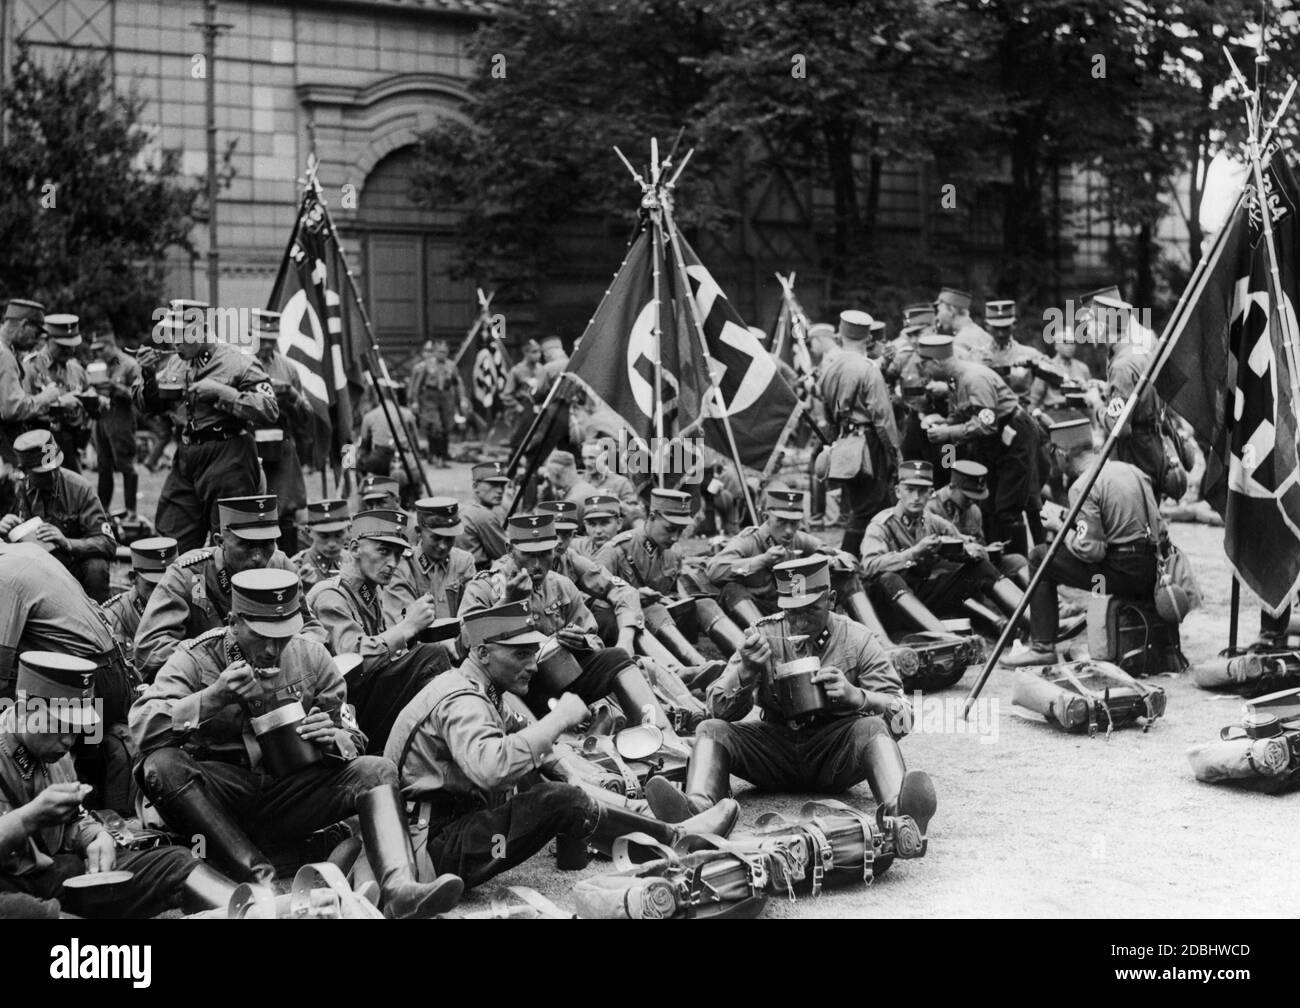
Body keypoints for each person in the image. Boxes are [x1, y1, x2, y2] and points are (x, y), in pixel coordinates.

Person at [131, 568, 463, 917]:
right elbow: (143, 727)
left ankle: (400, 888)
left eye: (284, 636)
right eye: (262, 636)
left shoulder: (311, 655)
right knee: (161, 765)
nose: (273, 649)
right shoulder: (196, 657)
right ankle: (262, 879)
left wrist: (333, 739)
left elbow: (352, 733)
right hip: (221, 798)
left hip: (288, 794)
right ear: (234, 621)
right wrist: (212, 698)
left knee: (376, 770)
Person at [383, 601, 739, 893]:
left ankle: (646, 819)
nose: (533, 665)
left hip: (455, 830)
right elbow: (490, 769)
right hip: (438, 852)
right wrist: (558, 720)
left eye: (533, 653)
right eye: (521, 654)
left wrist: (568, 769)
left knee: (549, 769)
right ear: (482, 651)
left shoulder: (476, 686)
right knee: (558, 801)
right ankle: (677, 838)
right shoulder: (463, 701)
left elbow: (530, 739)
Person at [645, 555, 936, 863]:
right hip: (776, 749)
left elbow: (904, 714)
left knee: (872, 728)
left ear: (832, 600)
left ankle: (900, 818)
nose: (799, 622)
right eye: (791, 611)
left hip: (834, 754)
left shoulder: (858, 639)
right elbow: (715, 707)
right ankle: (697, 812)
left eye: (810, 609)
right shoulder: (764, 634)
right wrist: (744, 671)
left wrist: (858, 697)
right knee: (710, 730)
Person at [0, 652, 237, 918]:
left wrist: (95, 836)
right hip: (9, 889)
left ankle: (255, 909)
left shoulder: (55, 753)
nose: (68, 740)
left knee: (178, 864)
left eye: (75, 728)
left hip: (54, 874)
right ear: (24, 710)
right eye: (59, 726)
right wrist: (26, 819)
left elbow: (75, 820)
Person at [458, 513, 676, 735]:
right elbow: (465, 641)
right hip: (512, 686)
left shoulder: (560, 585)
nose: (537, 566)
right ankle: (539, 738)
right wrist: (507, 603)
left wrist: (581, 642)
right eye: (528, 555)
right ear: (509, 549)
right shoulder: (485, 586)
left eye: (545, 555)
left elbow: (594, 637)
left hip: (558, 680)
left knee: (616, 657)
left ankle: (659, 732)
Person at [1001, 418, 1161, 666]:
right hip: (1151, 570)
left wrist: (1059, 527)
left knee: (1039, 557)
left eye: (1054, 455)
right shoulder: (1131, 470)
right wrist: (1067, 518)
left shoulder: (1083, 484)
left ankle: (1042, 646)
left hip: (1119, 576)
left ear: (1062, 453)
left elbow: (1092, 551)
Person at [134, 495, 327, 685]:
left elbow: (311, 629)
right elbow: (150, 648)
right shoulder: (190, 575)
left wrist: (286, 658)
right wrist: (213, 666)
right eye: (247, 545)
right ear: (220, 541)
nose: (258, 557)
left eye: (268, 543)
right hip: (207, 688)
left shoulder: (281, 567)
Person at [305, 509, 453, 753]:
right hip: (336, 713)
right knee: (431, 656)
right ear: (354, 549)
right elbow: (353, 663)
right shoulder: (331, 596)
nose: (393, 564)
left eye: (397, 554)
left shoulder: (371, 592)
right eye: (383, 552)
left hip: (359, 702)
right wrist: (407, 627)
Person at [134, 308, 279, 554]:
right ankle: (183, 589)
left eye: (181, 334)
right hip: (187, 458)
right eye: (171, 334)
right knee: (172, 535)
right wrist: (148, 376)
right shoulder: (177, 362)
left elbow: (269, 409)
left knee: (232, 539)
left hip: (229, 457)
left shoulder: (239, 362)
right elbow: (149, 406)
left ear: (201, 330)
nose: (174, 341)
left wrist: (224, 393)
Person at [860, 460, 1026, 636]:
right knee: (888, 578)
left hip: (924, 601)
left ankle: (1035, 622)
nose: (916, 497)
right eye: (909, 490)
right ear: (897, 492)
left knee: (981, 568)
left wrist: (966, 551)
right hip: (890, 606)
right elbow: (870, 566)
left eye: (922, 491)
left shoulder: (934, 522)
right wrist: (914, 553)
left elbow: (972, 548)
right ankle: (947, 638)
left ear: (930, 493)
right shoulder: (881, 525)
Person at [918, 332, 1041, 557]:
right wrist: (944, 424)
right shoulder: (955, 380)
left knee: (1008, 508)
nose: (922, 370)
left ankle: (1020, 569)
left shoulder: (975, 379)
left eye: (924, 363)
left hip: (1013, 436)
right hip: (993, 441)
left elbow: (987, 424)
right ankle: (996, 560)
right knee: (989, 505)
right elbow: (961, 413)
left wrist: (948, 432)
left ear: (936, 362)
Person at [600, 488, 739, 669]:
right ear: (651, 517)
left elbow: (672, 590)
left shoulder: (672, 552)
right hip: (629, 630)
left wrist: (675, 598)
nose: (675, 537)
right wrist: (633, 596)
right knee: (654, 609)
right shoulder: (617, 549)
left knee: (705, 604)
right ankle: (698, 666)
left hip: (664, 627)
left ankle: (744, 655)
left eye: (680, 531)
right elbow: (593, 602)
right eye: (670, 529)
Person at [817, 310, 901, 557]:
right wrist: (895, 454)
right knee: (867, 509)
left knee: (872, 505)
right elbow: (883, 420)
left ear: (840, 335)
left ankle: (878, 560)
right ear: (869, 339)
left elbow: (828, 414)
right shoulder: (869, 370)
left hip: (845, 444)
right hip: (870, 445)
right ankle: (846, 564)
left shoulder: (830, 369)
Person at [0, 429, 115, 602]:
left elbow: (107, 543)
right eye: (44, 473)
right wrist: (2, 529)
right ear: (25, 471)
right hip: (32, 569)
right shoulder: (13, 489)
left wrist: (67, 543)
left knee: (96, 568)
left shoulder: (79, 488)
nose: (53, 475)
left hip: (70, 565)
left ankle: (99, 620)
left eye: (56, 467)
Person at [705, 488, 840, 628]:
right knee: (731, 589)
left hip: (791, 608)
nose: (788, 530)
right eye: (781, 521)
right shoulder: (748, 541)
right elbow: (714, 571)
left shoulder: (799, 539)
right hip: (756, 610)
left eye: (794, 523)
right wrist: (761, 560)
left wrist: (820, 559)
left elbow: (842, 556)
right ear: (765, 518)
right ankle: (763, 635)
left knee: (838, 575)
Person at [1086, 290, 1169, 493]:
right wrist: (1107, 391)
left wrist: (1096, 403)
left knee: (1134, 519)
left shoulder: (1121, 365)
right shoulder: (1138, 351)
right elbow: (1139, 398)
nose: (1086, 328)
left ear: (1103, 326)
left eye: (1091, 322)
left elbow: (1120, 428)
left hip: (1134, 453)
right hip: (1152, 446)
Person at [536, 499, 642, 649]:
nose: (559, 541)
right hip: (534, 647)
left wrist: (626, 639)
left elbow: (621, 590)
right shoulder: (519, 563)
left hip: (569, 639)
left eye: (566, 534)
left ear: (573, 534)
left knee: (609, 614)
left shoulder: (569, 558)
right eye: (553, 534)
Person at [251, 310, 313, 555]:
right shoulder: (239, 364)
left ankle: (286, 563)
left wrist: (293, 397)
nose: (267, 344)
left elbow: (306, 417)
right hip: (248, 447)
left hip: (281, 445)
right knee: (251, 508)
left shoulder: (287, 368)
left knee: (284, 509)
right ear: (251, 335)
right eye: (261, 338)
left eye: (271, 339)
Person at [925, 459, 1029, 583]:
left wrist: (989, 548)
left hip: (976, 562)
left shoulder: (973, 510)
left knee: (1018, 561)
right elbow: (931, 556)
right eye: (967, 497)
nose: (972, 502)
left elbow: (980, 544)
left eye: (975, 498)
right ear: (952, 486)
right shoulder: (930, 508)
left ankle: (1035, 596)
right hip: (948, 568)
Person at [383, 497, 477, 627]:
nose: (443, 546)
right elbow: (404, 626)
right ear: (419, 532)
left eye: (449, 539)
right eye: (436, 538)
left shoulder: (464, 561)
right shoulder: (402, 567)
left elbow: (472, 613)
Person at [101, 537, 178, 680]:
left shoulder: (186, 607)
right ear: (133, 578)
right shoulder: (114, 617)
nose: (160, 593)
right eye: (152, 585)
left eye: (167, 584)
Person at [21, 314, 89, 474]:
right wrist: (58, 404)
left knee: (72, 491)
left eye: (72, 345)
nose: (70, 350)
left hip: (72, 443)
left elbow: (88, 393)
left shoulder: (76, 368)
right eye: (62, 345)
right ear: (47, 339)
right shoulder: (30, 367)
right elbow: (22, 409)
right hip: (43, 442)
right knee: (48, 488)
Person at [0, 300, 64, 465]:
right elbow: (13, 410)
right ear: (24, 325)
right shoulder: (5, 356)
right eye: (35, 334)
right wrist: (46, 397)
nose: (36, 341)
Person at [87, 330, 141, 517]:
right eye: (95, 350)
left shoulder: (128, 364)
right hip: (101, 420)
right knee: (104, 467)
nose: (97, 354)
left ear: (111, 345)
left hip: (121, 420)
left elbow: (139, 396)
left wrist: (114, 387)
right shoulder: (99, 365)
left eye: (101, 349)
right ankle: (103, 511)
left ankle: (131, 510)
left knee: (126, 466)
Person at [408, 340, 467, 468]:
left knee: (446, 427)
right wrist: (415, 401)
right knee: (435, 426)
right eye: (440, 351)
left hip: (446, 397)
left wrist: (462, 399)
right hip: (430, 397)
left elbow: (458, 384)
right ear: (435, 352)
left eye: (445, 352)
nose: (442, 354)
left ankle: (442, 456)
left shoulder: (451, 366)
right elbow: (417, 385)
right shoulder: (426, 366)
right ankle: (434, 455)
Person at [457, 461, 511, 570]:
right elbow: (506, 554)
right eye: (493, 485)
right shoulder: (483, 515)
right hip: (476, 575)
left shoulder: (463, 506)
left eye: (502, 485)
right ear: (475, 486)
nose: (500, 490)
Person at [581, 440, 644, 527]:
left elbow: (637, 514)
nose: (587, 463)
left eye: (591, 458)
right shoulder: (579, 482)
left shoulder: (621, 482)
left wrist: (616, 501)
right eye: (584, 458)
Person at [292, 498, 350, 589]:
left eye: (338, 535)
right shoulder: (296, 566)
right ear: (308, 531)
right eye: (324, 536)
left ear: (349, 529)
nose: (332, 544)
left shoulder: (354, 562)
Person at [935, 287, 994, 364]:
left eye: (939, 311)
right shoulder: (982, 334)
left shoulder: (960, 342)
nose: (937, 317)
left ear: (951, 311)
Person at [572, 493, 622, 558]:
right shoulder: (577, 547)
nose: (598, 531)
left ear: (619, 523)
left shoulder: (628, 550)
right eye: (592, 524)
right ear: (585, 525)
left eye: (604, 523)